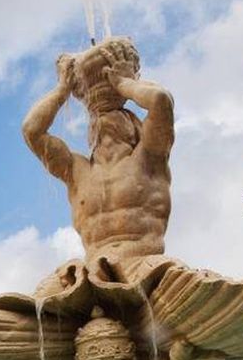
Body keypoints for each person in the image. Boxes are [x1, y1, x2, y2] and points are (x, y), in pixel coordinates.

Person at [22, 36, 174, 277]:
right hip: (91, 275)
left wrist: (124, 83)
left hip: (145, 268)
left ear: (132, 124)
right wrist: (62, 91)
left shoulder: (149, 157)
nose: (102, 122)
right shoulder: (76, 171)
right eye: (97, 121)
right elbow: (32, 130)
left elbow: (160, 100)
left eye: (115, 115)